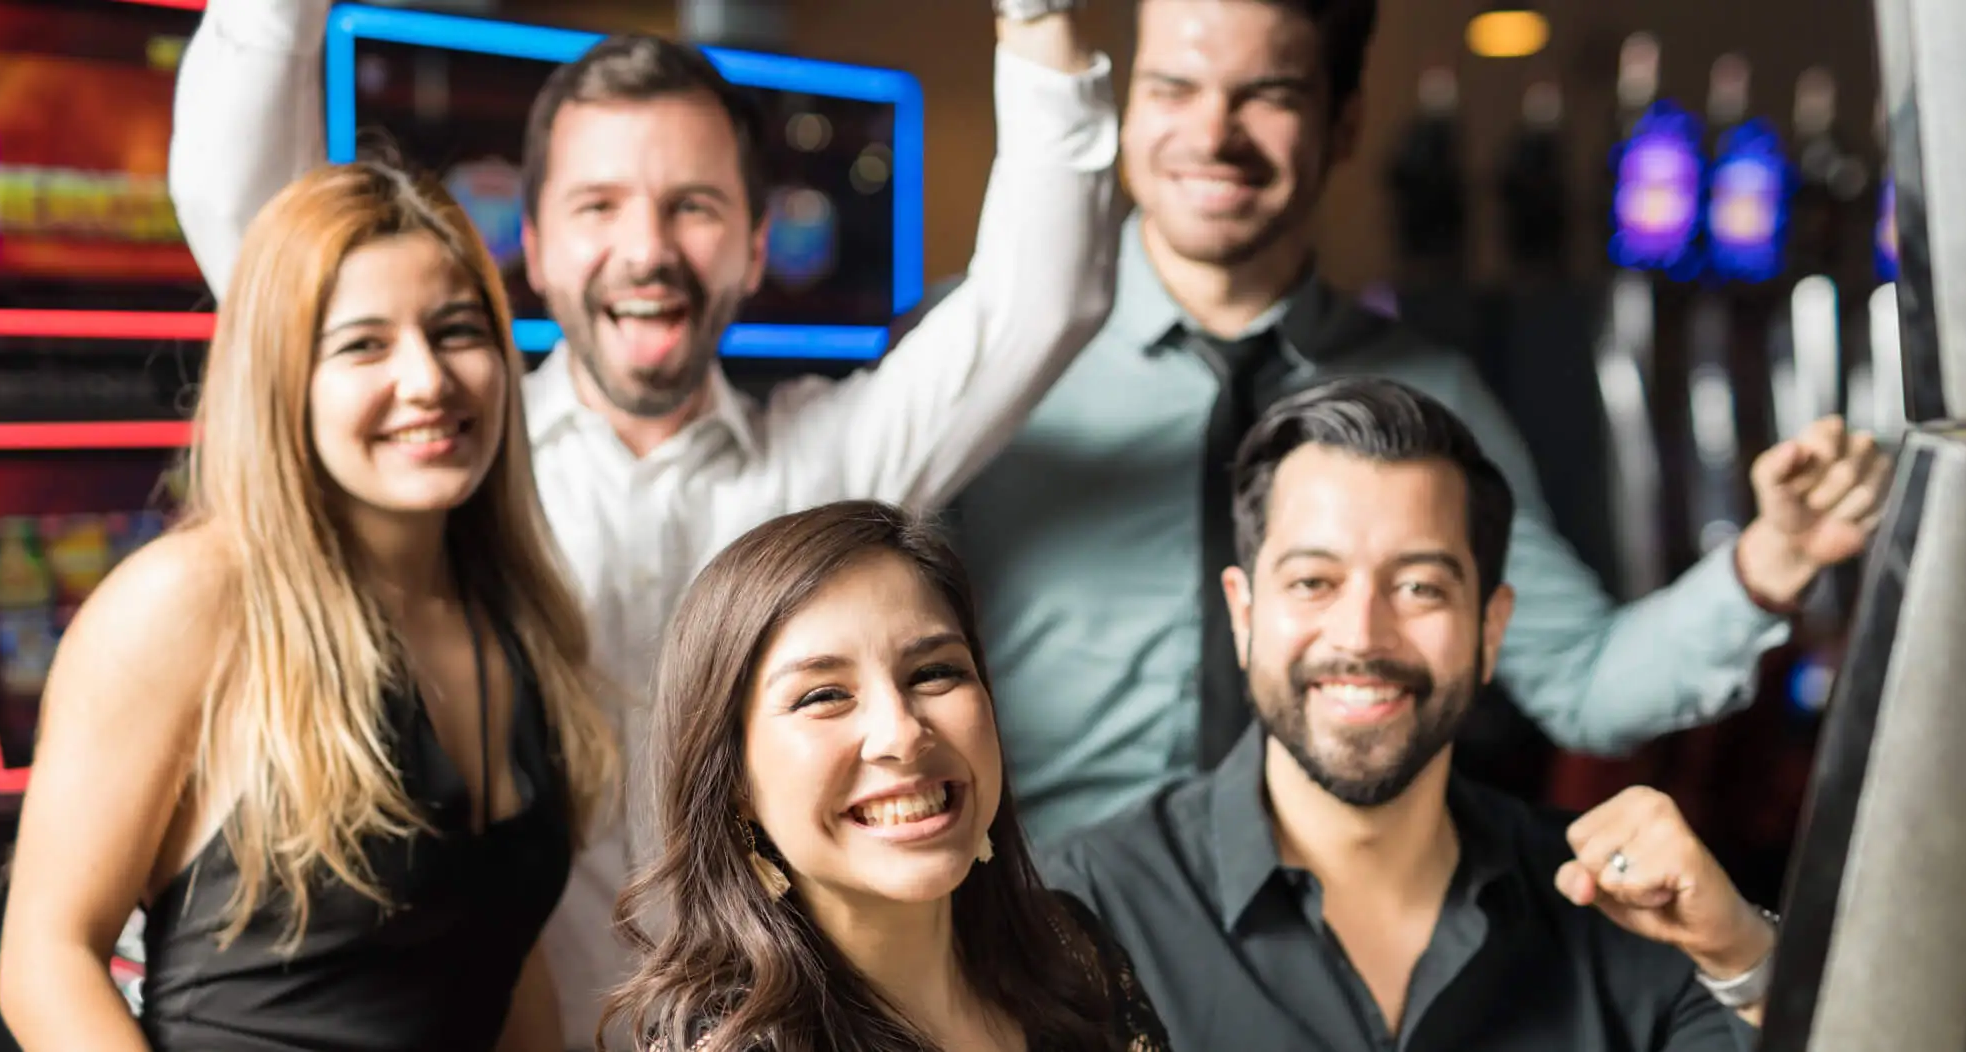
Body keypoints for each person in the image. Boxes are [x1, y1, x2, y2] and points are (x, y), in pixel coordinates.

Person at [169, 1, 1120, 1041]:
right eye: (599, 204)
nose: (646, 248)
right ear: (532, 242)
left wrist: (1039, 16)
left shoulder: (836, 459)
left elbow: (1044, 295)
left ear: (756, 245)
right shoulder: (451, 454)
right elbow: (259, 232)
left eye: (694, 206)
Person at [946, 0, 1891, 841]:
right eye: (1173, 87)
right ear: (1126, 106)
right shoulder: (985, 354)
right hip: (1036, 936)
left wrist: (1772, 561)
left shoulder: (1431, 392)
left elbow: (1587, 685)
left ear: (1344, 121)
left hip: (1314, 959)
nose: (1213, 133)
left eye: (1266, 93)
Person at [0, 162, 617, 1051]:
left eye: (457, 331)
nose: (428, 379)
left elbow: (505, 966)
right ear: (286, 380)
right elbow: (46, 963)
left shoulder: (516, 614)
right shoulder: (191, 599)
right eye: (364, 345)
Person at [1043, 378, 1779, 1050]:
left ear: (1490, 630)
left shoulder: (1621, 918)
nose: (1362, 636)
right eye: (1312, 582)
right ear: (1244, 615)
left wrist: (1742, 954)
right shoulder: (1079, 909)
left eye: (1420, 587)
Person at [607, 500, 1167, 1052]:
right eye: (824, 696)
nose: (901, 734)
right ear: (734, 782)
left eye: (933, 673)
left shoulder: (1072, 951)